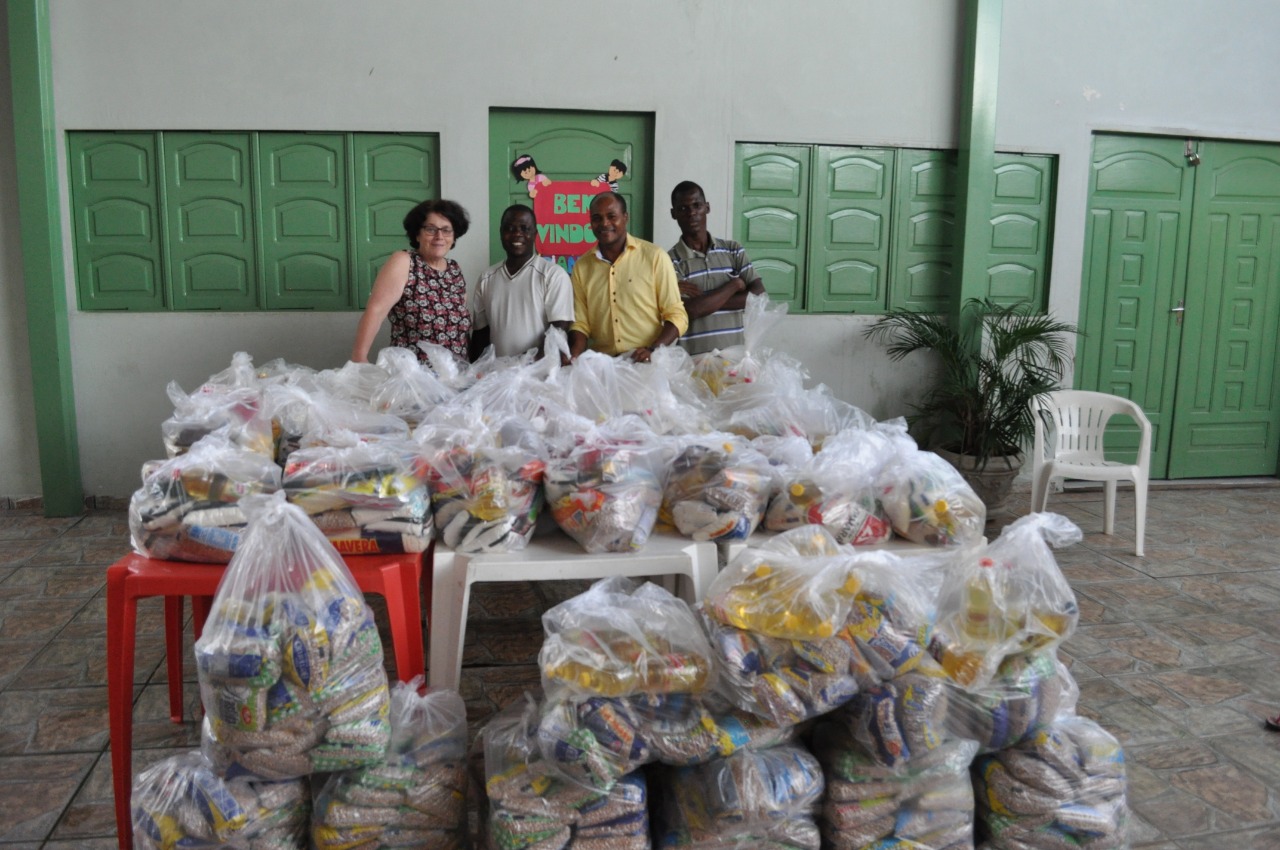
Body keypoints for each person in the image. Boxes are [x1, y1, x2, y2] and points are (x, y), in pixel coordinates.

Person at [567, 192, 687, 363]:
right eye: (597, 218)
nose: (604, 223)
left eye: (611, 216)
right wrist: (576, 355)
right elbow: (580, 323)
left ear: (625, 217)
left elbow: (676, 315)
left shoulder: (654, 257)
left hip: (647, 364)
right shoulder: (582, 267)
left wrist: (652, 350)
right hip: (604, 366)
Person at [351, 199, 471, 364]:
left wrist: (470, 367)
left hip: (453, 376)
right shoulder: (404, 261)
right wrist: (359, 357)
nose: (439, 236)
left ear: (454, 236)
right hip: (412, 376)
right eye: (431, 229)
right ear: (417, 234)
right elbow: (376, 311)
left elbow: (461, 330)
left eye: (446, 230)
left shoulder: (454, 270)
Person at [668, 180, 767, 356]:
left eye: (697, 205)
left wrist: (706, 303)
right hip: (693, 365)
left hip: (737, 361)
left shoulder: (733, 250)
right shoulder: (670, 261)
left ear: (707, 207)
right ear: (673, 214)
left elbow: (758, 295)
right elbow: (689, 310)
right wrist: (734, 286)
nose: (691, 213)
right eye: (683, 208)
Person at [469, 204, 574, 360]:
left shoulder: (552, 274)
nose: (517, 234)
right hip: (497, 376)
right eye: (510, 228)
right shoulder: (486, 278)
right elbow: (481, 335)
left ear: (535, 234)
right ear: (501, 233)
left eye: (525, 228)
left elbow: (559, 332)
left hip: (539, 375)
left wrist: (521, 366)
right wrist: (476, 373)